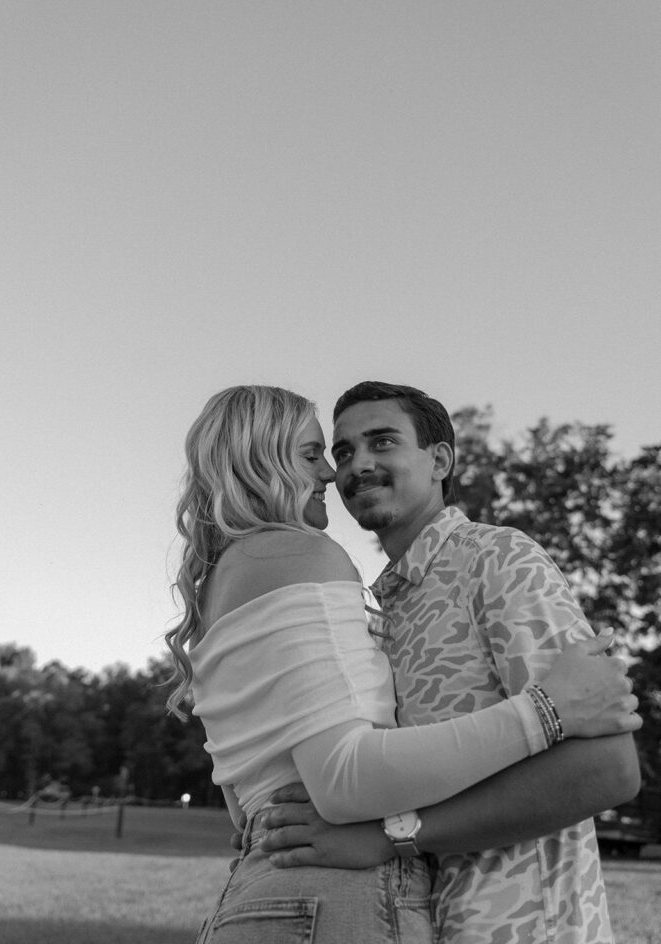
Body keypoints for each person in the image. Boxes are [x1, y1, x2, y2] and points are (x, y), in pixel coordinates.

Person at [166, 384, 640, 944]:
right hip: (406, 914)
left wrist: (398, 835)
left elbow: (607, 767)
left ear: (440, 459)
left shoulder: (498, 559)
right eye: (338, 452)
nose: (351, 467)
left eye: (382, 442)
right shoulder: (371, 607)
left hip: (522, 927)